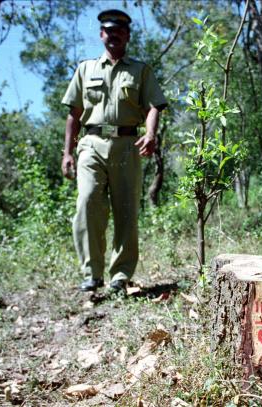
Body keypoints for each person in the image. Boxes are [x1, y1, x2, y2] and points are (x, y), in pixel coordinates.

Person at [61, 9, 167, 294]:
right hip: (91, 143)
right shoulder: (85, 69)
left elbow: (154, 106)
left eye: (120, 30)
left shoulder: (140, 70)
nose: (114, 35)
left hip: (126, 145)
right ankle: (91, 273)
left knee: (126, 210)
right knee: (87, 202)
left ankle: (120, 275)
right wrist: (67, 152)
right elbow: (74, 113)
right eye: (109, 30)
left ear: (127, 36)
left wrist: (151, 133)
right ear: (101, 35)